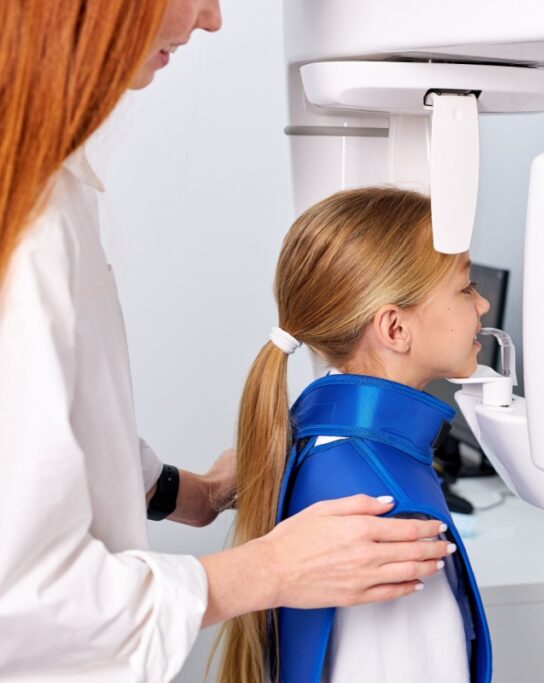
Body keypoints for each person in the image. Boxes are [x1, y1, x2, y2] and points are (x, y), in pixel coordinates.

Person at [0, 2, 452, 681]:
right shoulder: (24, 232)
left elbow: (57, 437)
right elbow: (24, 604)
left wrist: (197, 493)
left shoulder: (50, 187)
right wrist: (269, 569)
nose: (212, 18)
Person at [217, 188, 492, 683]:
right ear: (395, 328)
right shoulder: (389, 519)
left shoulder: (319, 441)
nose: (483, 304)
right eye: (466, 287)